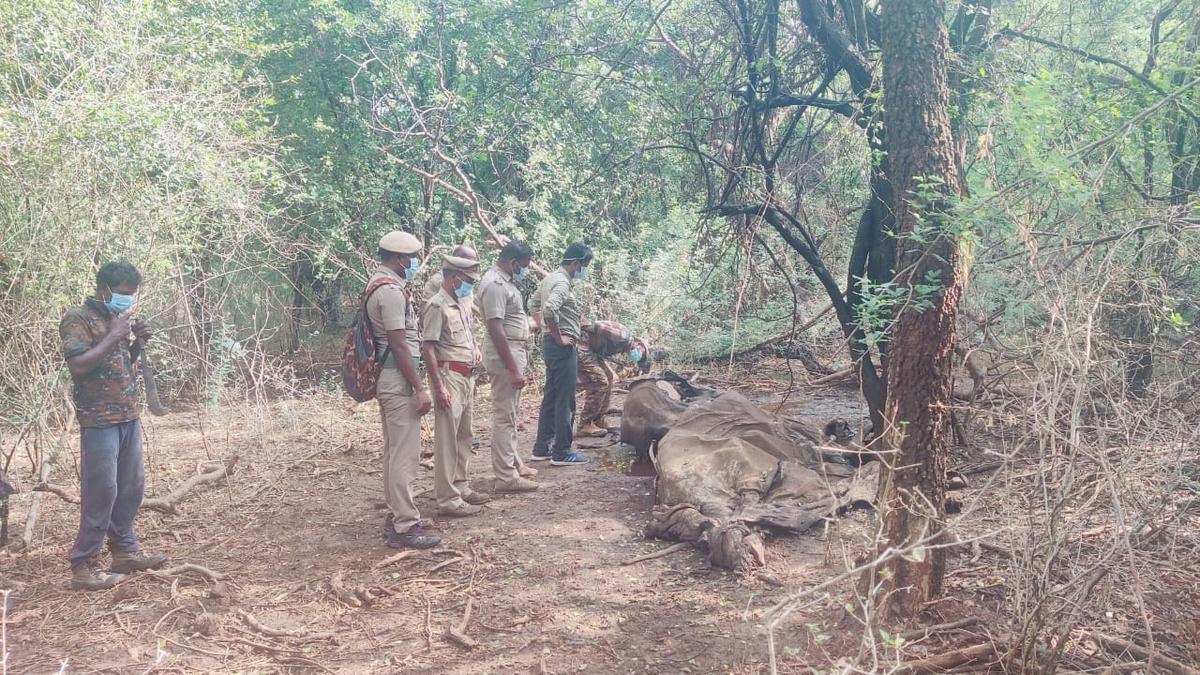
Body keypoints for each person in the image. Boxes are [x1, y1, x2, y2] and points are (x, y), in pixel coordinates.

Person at [60, 261, 166, 591]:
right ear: (104, 289)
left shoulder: (116, 319)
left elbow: (116, 365)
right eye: (123, 294)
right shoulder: (77, 318)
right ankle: (84, 564)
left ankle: (124, 551)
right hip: (98, 419)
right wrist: (115, 334)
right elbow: (79, 365)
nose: (128, 300)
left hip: (127, 414)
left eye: (132, 295)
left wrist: (135, 343)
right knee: (102, 490)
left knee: (131, 486)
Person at [369, 231, 441, 549]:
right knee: (405, 455)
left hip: (391, 379)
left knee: (394, 452)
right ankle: (405, 525)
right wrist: (419, 388)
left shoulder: (379, 285)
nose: (412, 264)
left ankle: (397, 515)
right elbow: (399, 345)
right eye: (410, 259)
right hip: (398, 380)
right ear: (399, 259)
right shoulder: (391, 293)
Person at [422, 255, 490, 516]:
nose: (470, 286)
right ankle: (447, 498)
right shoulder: (437, 305)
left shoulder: (459, 303)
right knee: (447, 440)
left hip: (466, 377)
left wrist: (473, 349)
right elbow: (428, 347)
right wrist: (438, 387)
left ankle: (461, 485)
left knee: (465, 435)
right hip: (449, 376)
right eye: (467, 281)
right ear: (453, 278)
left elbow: (466, 335)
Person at [476, 240, 540, 492]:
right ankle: (505, 476)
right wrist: (512, 368)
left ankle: (513, 462)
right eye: (522, 266)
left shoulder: (506, 282)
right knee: (504, 416)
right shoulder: (494, 284)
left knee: (511, 413)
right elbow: (495, 328)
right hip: (506, 355)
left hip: (514, 351)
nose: (524, 270)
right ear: (512, 262)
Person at [528, 242, 593, 466]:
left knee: (552, 396)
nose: (584, 270)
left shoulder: (549, 279)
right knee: (566, 399)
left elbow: (533, 303)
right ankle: (562, 451)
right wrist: (558, 336)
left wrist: (545, 330)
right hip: (562, 347)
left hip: (551, 346)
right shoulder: (562, 283)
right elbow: (548, 309)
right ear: (576, 263)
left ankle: (541, 447)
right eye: (584, 266)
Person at [576, 320, 651, 437]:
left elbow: (600, 349)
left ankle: (598, 419)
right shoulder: (623, 336)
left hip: (591, 351)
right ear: (638, 344)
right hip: (582, 346)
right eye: (641, 353)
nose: (639, 357)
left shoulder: (622, 346)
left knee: (609, 378)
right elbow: (593, 326)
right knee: (600, 382)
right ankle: (585, 424)